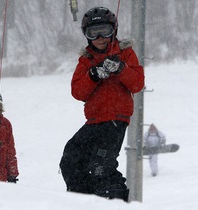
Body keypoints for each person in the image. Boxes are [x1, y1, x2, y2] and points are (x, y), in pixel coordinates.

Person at [59, 7, 144, 202]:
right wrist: (93, 75)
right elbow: (78, 92)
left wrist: (120, 68)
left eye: (104, 31)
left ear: (113, 30)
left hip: (115, 121)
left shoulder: (124, 53)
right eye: (93, 33)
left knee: (101, 166)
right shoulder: (86, 60)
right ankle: (83, 199)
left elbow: (137, 83)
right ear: (86, 35)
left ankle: (115, 202)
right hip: (94, 121)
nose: (99, 37)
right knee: (71, 159)